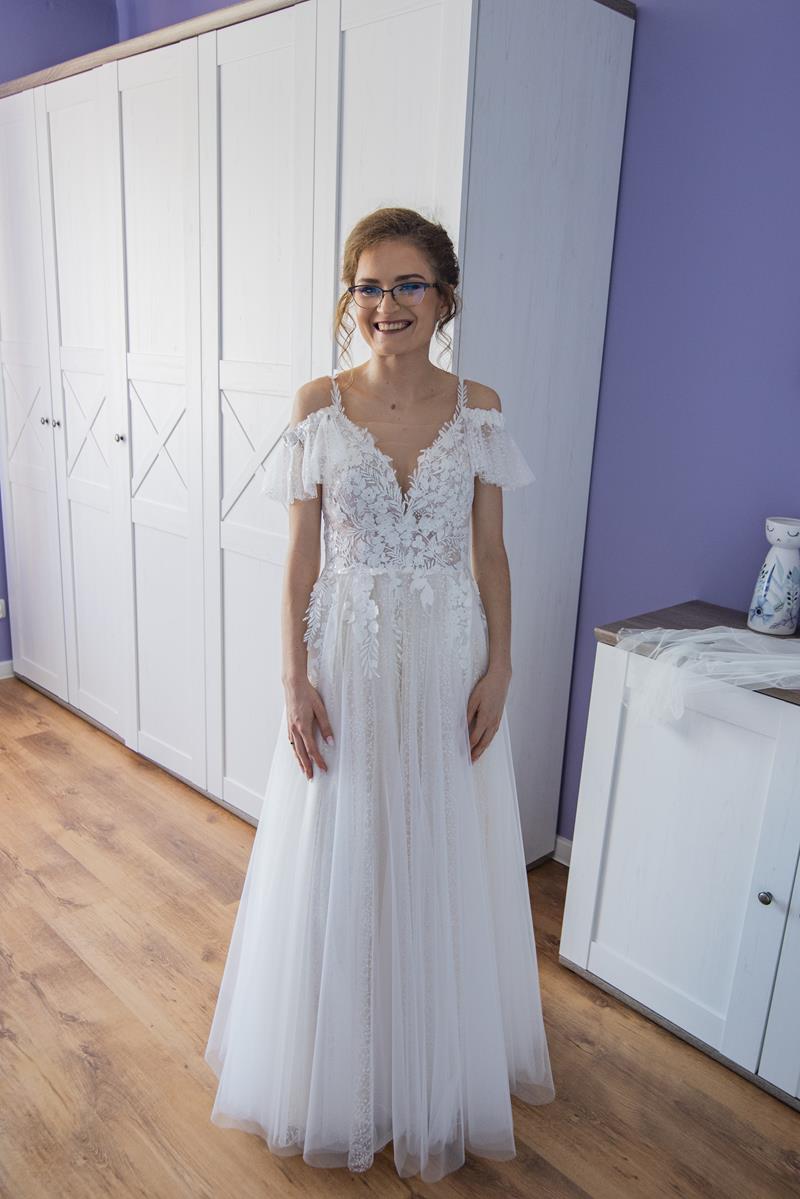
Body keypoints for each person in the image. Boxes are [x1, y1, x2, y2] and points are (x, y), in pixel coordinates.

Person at [204, 207, 555, 1182]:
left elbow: (491, 554)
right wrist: (293, 677)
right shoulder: (318, 403)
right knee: (346, 838)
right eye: (367, 285)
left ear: (443, 298)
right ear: (349, 297)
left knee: (436, 841)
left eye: (407, 285)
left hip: (446, 656)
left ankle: (433, 1061)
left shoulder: (478, 406)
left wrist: (500, 667)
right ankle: (340, 1063)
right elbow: (299, 559)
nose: (385, 304)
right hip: (347, 658)